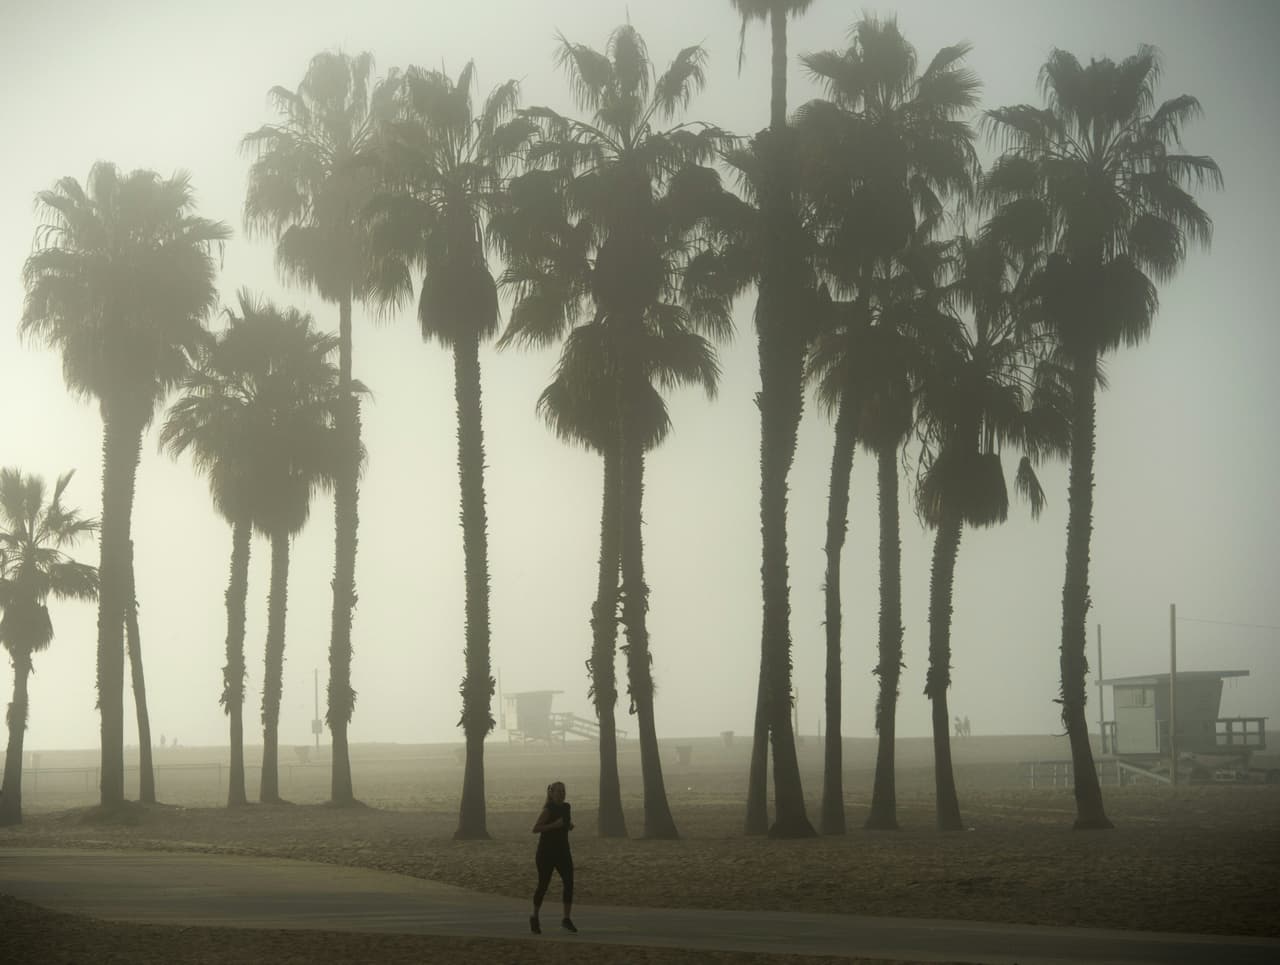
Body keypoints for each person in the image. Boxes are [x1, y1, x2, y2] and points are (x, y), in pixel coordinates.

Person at [530, 780, 576, 934]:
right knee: (543, 885)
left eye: (563, 791)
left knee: (569, 882)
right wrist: (554, 826)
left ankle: (566, 919)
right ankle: (535, 917)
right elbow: (535, 829)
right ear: (552, 793)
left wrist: (568, 826)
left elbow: (565, 824)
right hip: (546, 853)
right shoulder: (547, 810)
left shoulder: (567, 807)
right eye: (558, 791)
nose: (562, 794)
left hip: (563, 852)